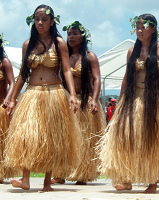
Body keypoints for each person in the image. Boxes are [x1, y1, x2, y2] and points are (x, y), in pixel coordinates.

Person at [4, 4, 81, 191]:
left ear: (51, 22)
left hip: (54, 93)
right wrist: (13, 98)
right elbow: (23, 74)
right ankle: (25, 178)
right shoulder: (27, 44)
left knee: (51, 137)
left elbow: (66, 71)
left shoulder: (59, 43)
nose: (40, 23)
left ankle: (47, 182)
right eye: (37, 19)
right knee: (26, 136)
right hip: (31, 93)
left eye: (44, 19)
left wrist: (71, 95)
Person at [98, 14, 159, 194]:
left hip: (154, 98)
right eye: (138, 27)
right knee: (126, 138)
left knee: (151, 139)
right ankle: (126, 179)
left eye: (144, 27)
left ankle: (152, 181)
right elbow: (127, 77)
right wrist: (120, 101)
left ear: (153, 29)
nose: (140, 30)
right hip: (133, 98)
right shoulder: (132, 51)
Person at [52, 21, 106, 185]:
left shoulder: (90, 56)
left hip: (84, 101)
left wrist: (95, 100)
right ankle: (60, 173)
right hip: (66, 102)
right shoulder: (64, 56)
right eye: (69, 34)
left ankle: (82, 173)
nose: (71, 37)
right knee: (64, 138)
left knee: (84, 138)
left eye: (74, 33)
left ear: (83, 36)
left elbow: (97, 80)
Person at [0, 34, 18, 183]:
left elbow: (12, 82)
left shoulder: (4, 62)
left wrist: (8, 97)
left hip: (1, 105)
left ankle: (1, 171)